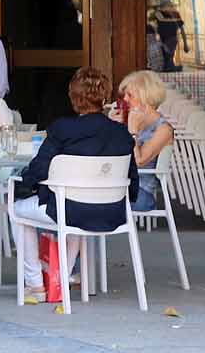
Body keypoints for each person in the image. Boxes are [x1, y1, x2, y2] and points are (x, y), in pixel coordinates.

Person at [10, 66, 137, 304]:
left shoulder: (62, 129)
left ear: (74, 97)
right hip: (112, 212)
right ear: (105, 96)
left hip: (70, 209)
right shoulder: (121, 133)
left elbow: (38, 170)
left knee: (18, 210)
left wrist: (23, 185)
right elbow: (133, 181)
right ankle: (61, 279)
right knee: (74, 205)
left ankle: (35, 284)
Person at [119, 70, 175, 214]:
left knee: (90, 202)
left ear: (146, 98)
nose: (124, 99)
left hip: (141, 193)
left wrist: (132, 131)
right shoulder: (132, 122)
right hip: (120, 186)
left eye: (129, 95)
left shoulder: (163, 129)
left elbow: (138, 161)